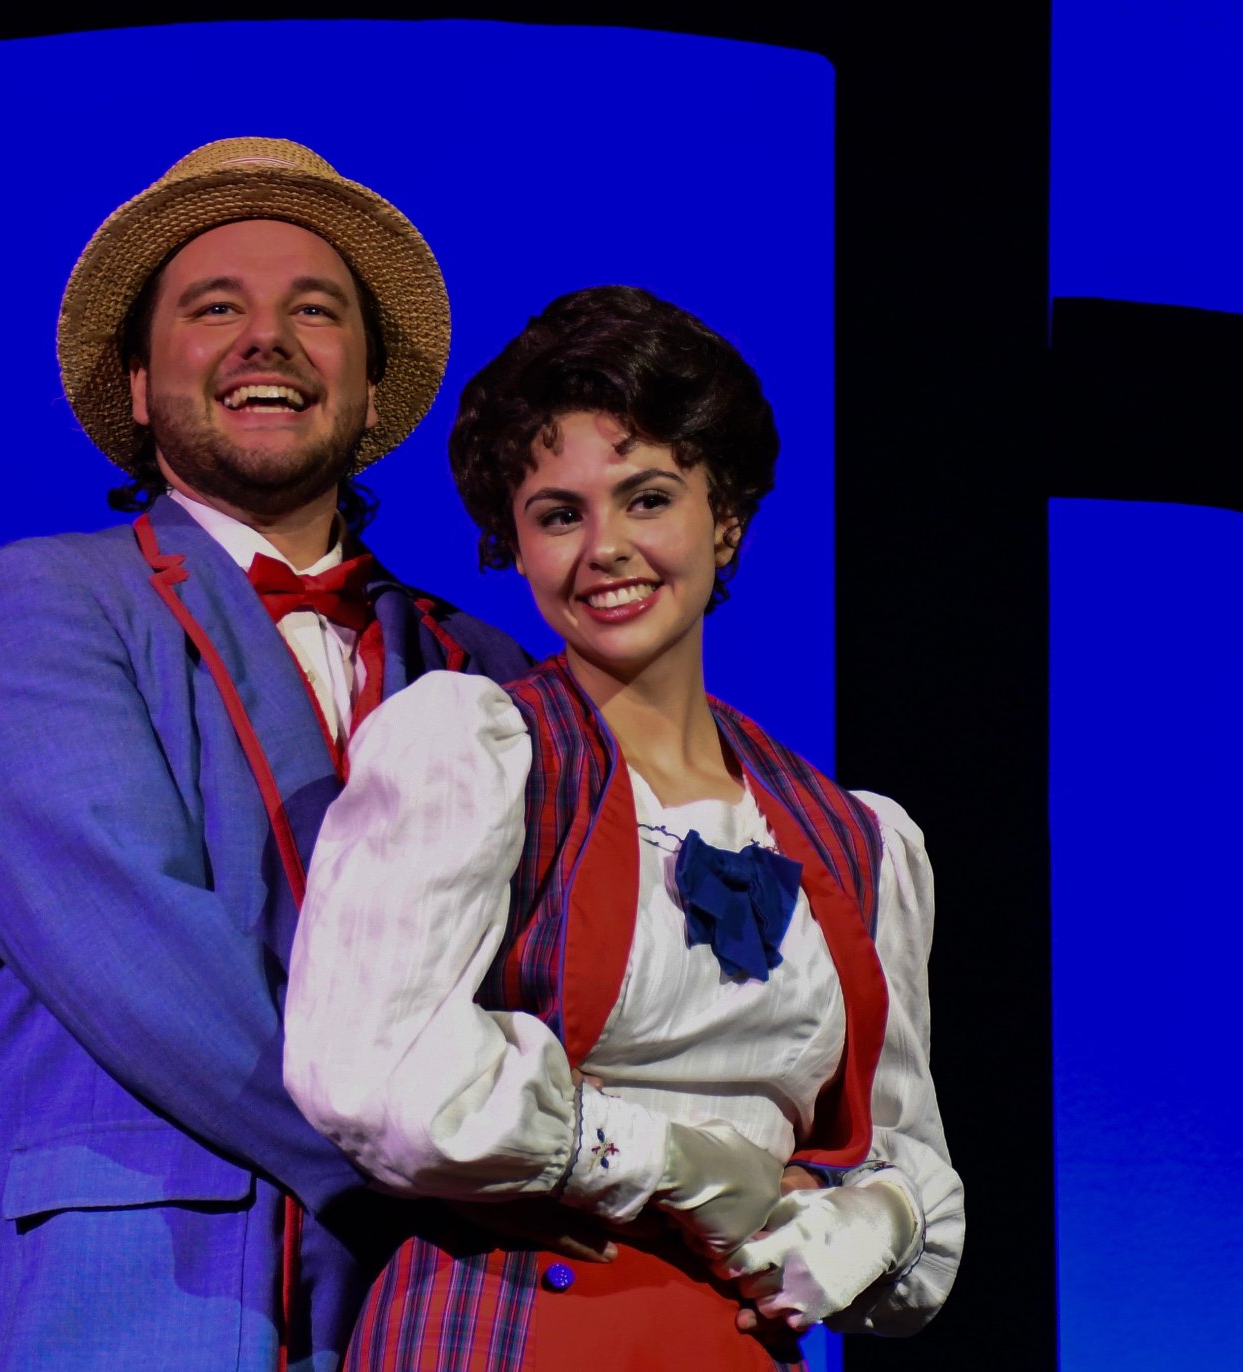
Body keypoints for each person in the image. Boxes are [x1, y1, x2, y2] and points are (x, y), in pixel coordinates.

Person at [0, 138, 529, 1371]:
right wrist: (481, 1171)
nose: (269, 339)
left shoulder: (493, 671)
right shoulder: (37, 604)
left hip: (434, 1319)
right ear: (138, 384)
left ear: (366, 391)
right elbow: (141, 949)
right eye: (215, 309)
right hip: (124, 1303)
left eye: (315, 311)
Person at [283, 286, 965, 1369]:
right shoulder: (473, 752)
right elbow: (374, 1073)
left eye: (646, 498)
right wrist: (690, 1165)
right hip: (500, 1331)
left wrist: (866, 1224)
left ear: (724, 517)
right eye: (559, 514)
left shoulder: (853, 839)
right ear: (513, 545)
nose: (604, 547)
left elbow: (910, 1186)